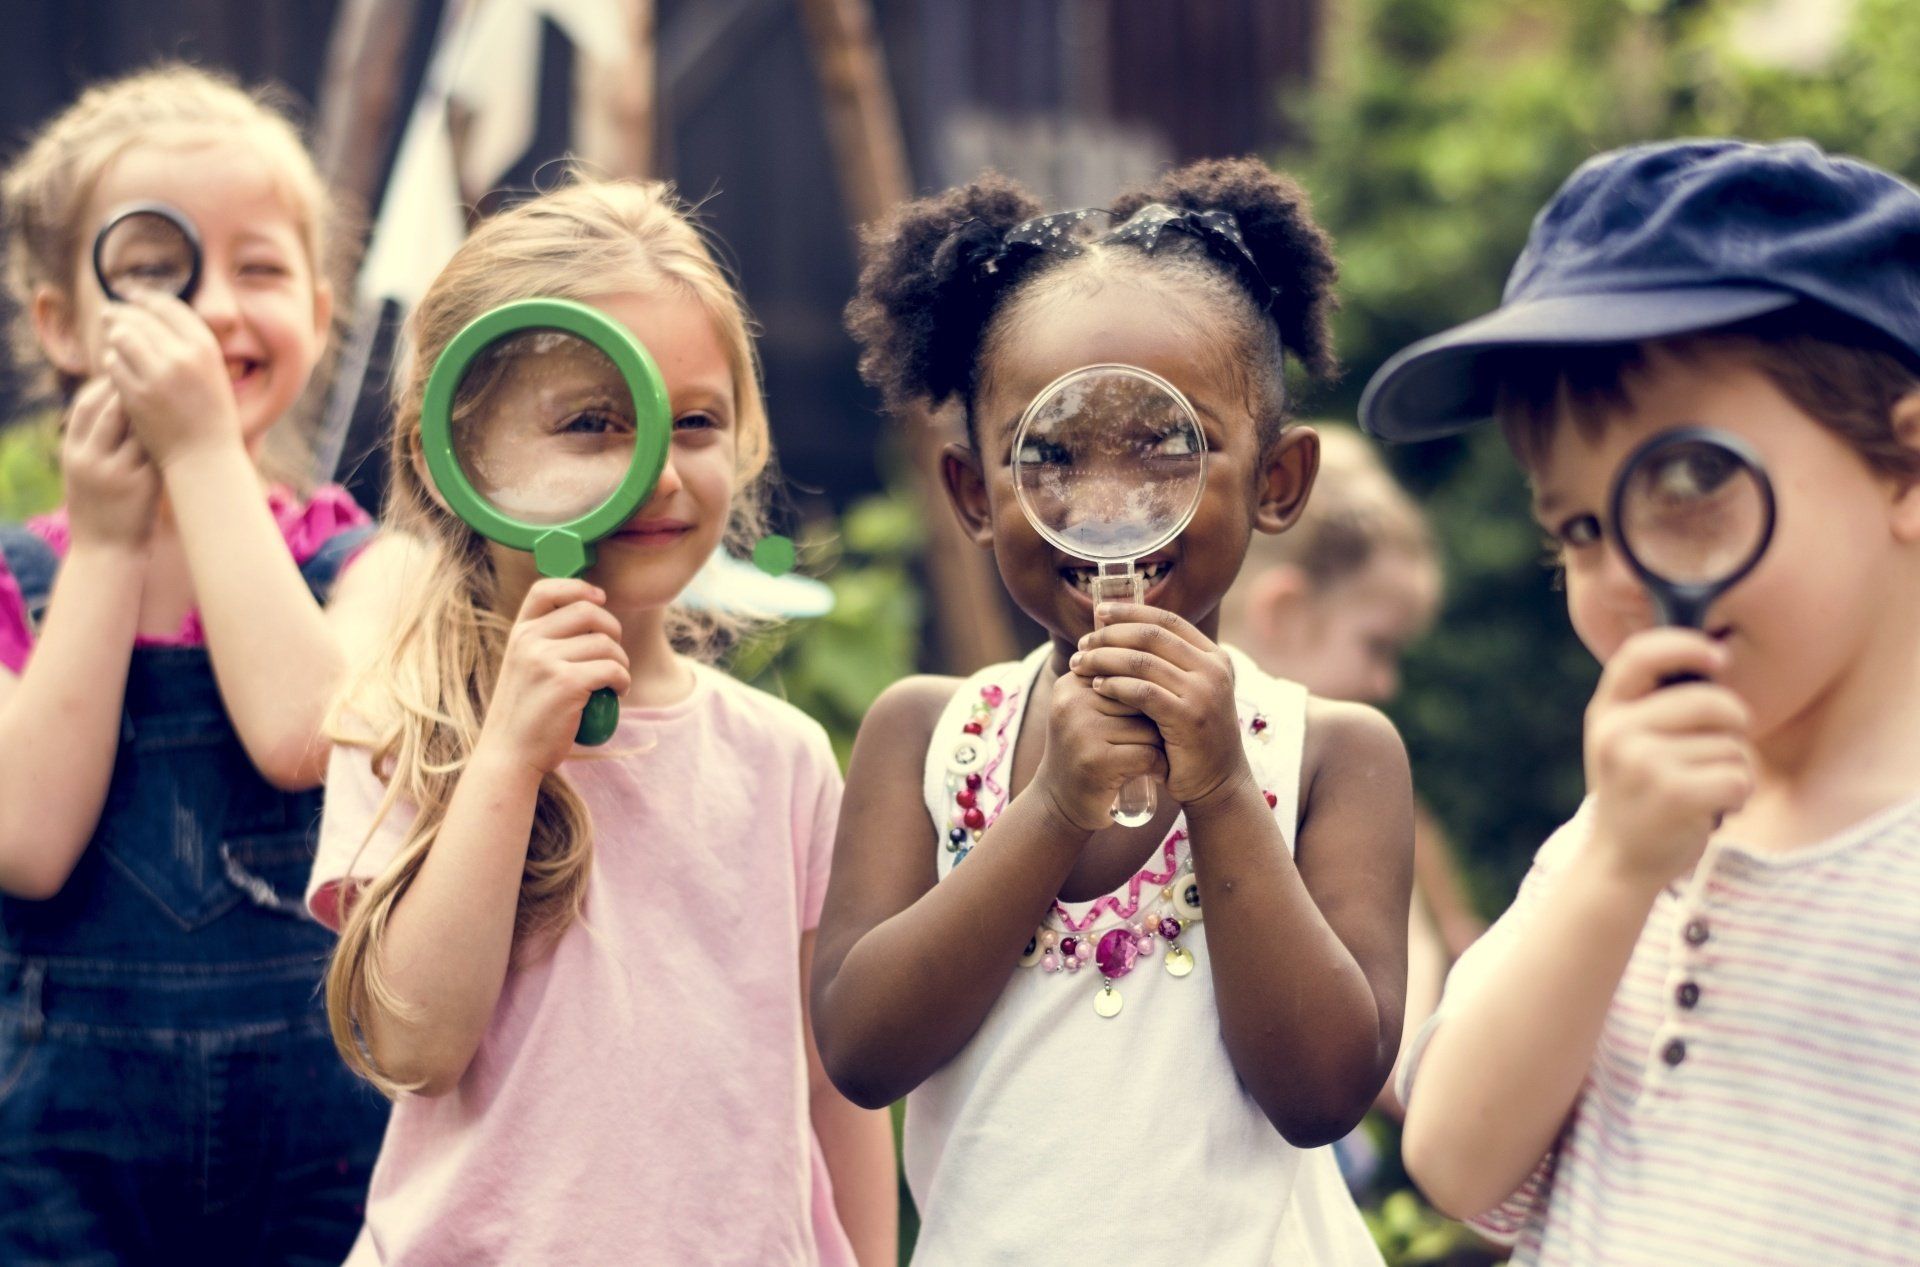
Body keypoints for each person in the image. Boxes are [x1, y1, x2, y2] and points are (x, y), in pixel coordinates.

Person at [813, 157, 1412, 1263]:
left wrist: (1225, 788)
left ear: (1279, 482)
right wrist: (1050, 807)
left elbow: (1324, 1091)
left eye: (1163, 446)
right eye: (1050, 455)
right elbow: (860, 1047)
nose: (1109, 505)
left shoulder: (1335, 756)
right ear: (971, 496)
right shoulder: (924, 738)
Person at [309, 177, 896, 1264]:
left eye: (700, 422)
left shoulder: (785, 761)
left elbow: (834, 1077)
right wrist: (511, 757)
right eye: (592, 423)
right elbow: (412, 1042)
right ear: (461, 456)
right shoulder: (406, 726)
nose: (659, 472)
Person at [1362, 138, 1920, 1265]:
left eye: (1688, 481)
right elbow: (1457, 1156)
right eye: (1574, 527)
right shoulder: (1625, 829)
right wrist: (1616, 866)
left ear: (1906, 469)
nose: (1622, 573)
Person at [0, 64, 403, 1262]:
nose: (213, 308)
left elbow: (305, 733)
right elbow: (26, 841)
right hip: (60, 1164)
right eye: (158, 267)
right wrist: (113, 538)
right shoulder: (19, 580)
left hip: (324, 1147)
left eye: (261, 269)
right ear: (62, 325)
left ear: (322, 316)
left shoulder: (367, 564)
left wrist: (202, 460)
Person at [1218, 422, 1479, 1173]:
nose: (1384, 683)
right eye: (1377, 644)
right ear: (1286, 612)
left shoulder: (1357, 789)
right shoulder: (1241, 790)